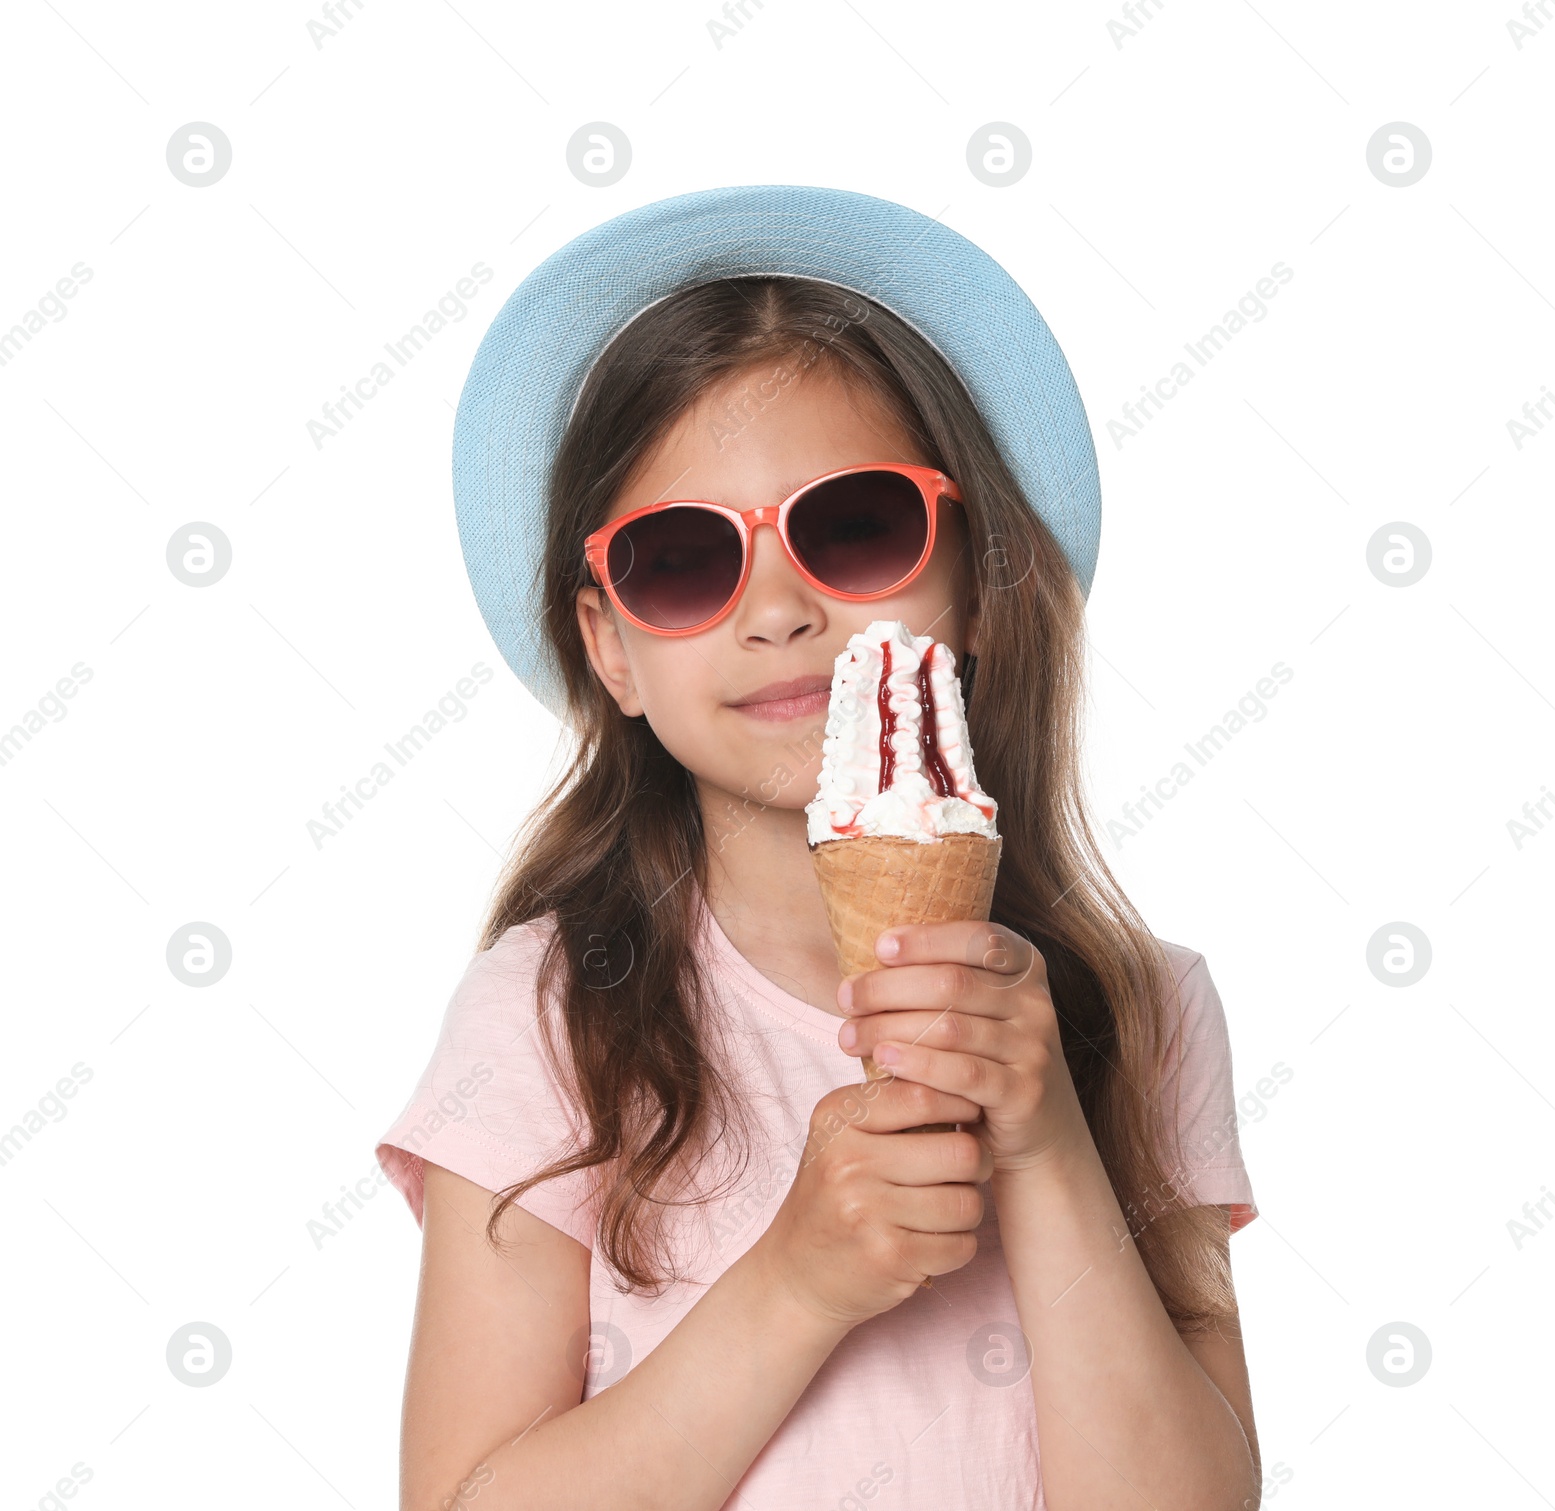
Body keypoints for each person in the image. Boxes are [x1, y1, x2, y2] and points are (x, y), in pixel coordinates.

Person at [376, 211, 1261, 1510]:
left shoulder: (1141, 1012)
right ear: (610, 645)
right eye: (683, 562)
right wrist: (798, 1282)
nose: (782, 610)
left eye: (853, 529)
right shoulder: (548, 1017)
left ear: (972, 574)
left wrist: (1049, 1144)